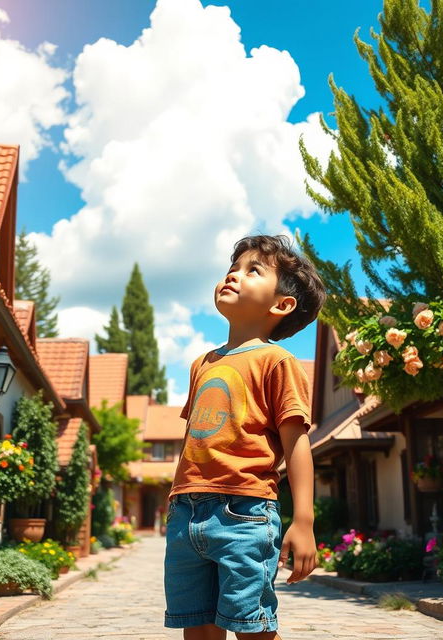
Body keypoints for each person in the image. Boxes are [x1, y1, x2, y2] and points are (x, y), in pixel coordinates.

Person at [164, 234, 327, 640]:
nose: (233, 275)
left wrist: (303, 520)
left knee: (250, 625)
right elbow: (195, 436)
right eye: (232, 268)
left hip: (245, 512)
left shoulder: (278, 362)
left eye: (252, 270)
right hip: (185, 513)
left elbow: (297, 443)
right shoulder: (202, 363)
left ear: (281, 304)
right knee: (195, 624)